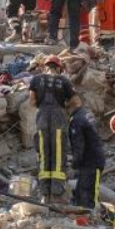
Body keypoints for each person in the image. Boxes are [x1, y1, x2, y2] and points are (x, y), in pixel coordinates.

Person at [30, 55, 78, 202]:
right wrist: (65, 107)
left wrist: (41, 106)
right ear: (59, 68)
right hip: (58, 116)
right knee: (58, 152)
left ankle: (45, 192)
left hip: (42, 116)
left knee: (43, 152)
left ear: (45, 66)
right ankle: (57, 191)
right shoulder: (64, 81)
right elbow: (76, 101)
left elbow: (32, 101)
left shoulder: (36, 79)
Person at [69, 102, 105, 209]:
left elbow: (78, 145)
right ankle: (84, 216)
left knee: (88, 192)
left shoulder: (76, 120)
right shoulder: (86, 114)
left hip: (91, 161)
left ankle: (91, 217)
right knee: (82, 190)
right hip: (93, 159)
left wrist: (75, 164)